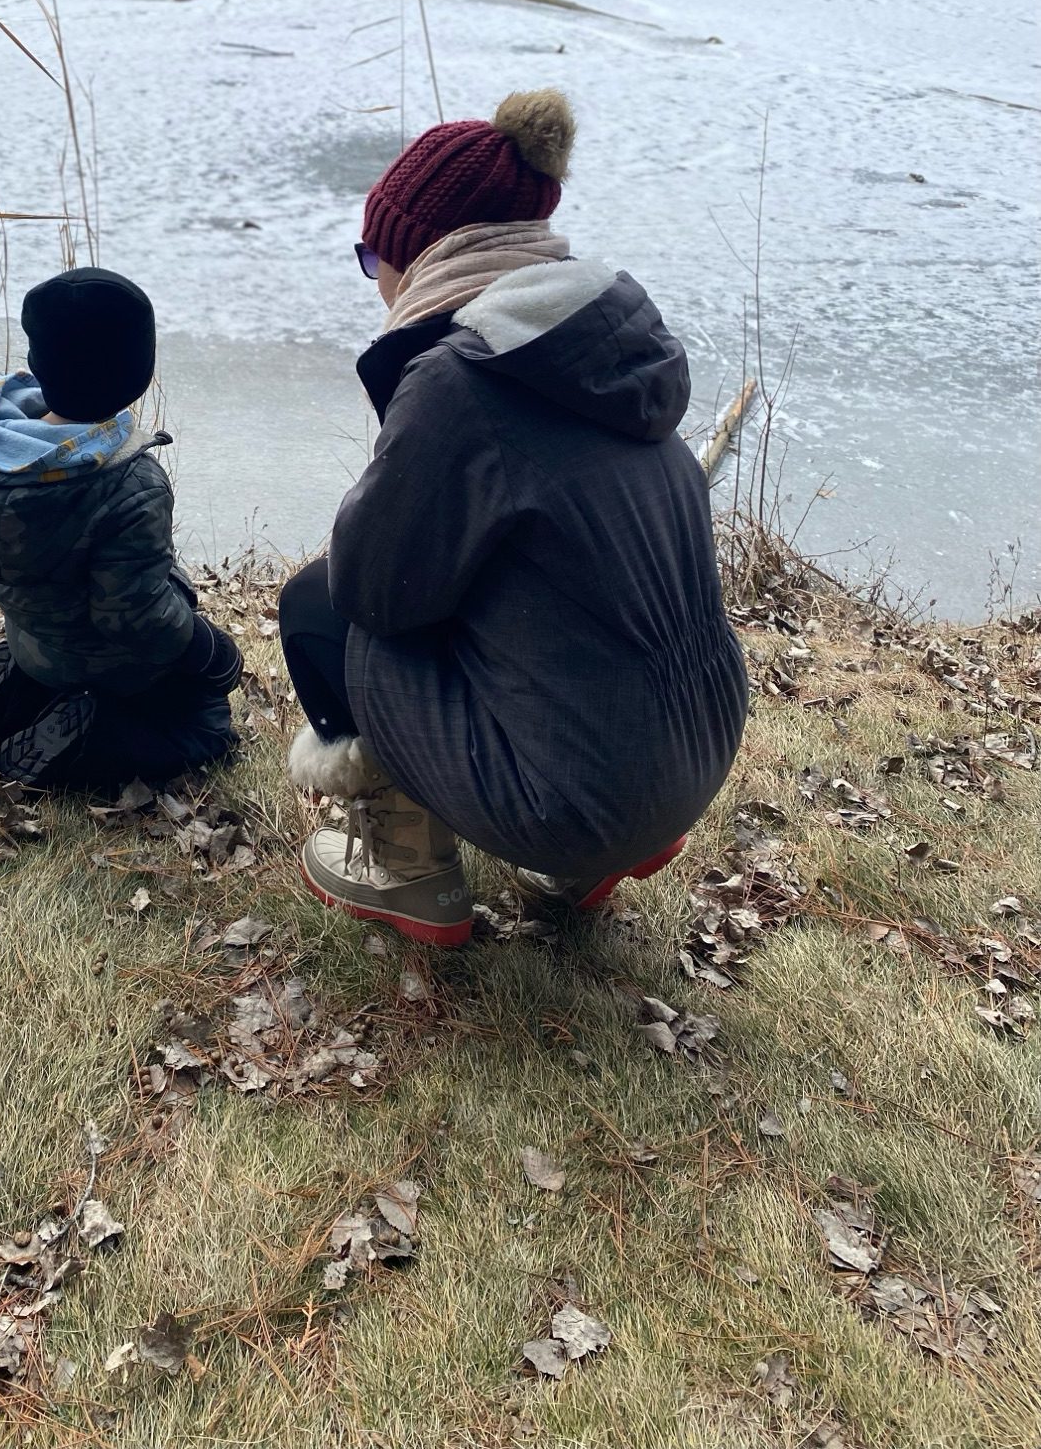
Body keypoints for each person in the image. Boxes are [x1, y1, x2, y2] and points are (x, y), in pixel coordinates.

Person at [280, 90, 748, 947]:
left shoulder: (460, 382)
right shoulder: (604, 346)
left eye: (372, 255)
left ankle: (408, 868)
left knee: (318, 607)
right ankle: (601, 847)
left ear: (420, 256)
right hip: (703, 744)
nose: (374, 280)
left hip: (581, 800)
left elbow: (372, 590)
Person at [0, 267, 242, 793]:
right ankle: (92, 739)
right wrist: (207, 648)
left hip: (32, 636)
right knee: (205, 721)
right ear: (139, 373)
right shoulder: (129, 483)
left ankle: (20, 694)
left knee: (56, 641)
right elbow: (134, 617)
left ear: (38, 361)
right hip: (111, 664)